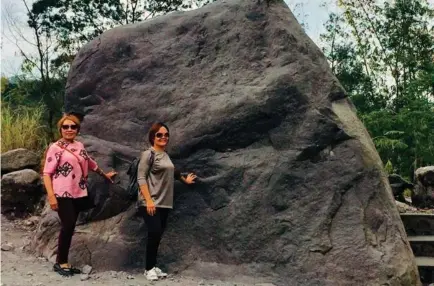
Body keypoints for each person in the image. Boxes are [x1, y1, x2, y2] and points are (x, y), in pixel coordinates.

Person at [42, 114, 117, 277]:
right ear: (60, 129)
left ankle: (64, 261)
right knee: (67, 225)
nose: (69, 130)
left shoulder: (79, 146)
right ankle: (60, 262)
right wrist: (51, 196)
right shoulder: (56, 147)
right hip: (62, 193)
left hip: (77, 192)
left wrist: (105, 175)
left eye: (73, 127)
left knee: (70, 227)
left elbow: (89, 162)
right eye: (66, 127)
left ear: (77, 129)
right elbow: (47, 173)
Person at [137, 122, 197, 281]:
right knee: (154, 232)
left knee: (158, 235)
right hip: (149, 202)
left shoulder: (165, 155)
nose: (163, 137)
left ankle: (153, 266)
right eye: (159, 135)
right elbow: (141, 178)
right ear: (153, 137)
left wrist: (186, 181)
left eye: (166, 135)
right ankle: (148, 268)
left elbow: (174, 173)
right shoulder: (148, 154)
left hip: (164, 202)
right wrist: (149, 201)